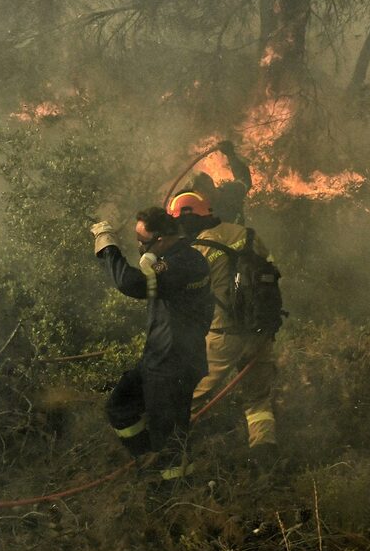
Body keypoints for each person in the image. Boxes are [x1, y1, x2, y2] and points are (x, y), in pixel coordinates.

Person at [91, 207, 212, 484]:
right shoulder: (176, 257)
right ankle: (146, 456)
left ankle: (176, 495)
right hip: (159, 359)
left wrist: (108, 247)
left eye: (142, 242)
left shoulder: (182, 264)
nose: (139, 247)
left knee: (169, 439)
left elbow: (130, 283)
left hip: (174, 364)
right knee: (120, 406)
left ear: (162, 239)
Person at [167, 190, 281, 469]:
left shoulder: (198, 250)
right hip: (259, 332)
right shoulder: (247, 234)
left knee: (187, 398)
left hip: (222, 336)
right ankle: (264, 455)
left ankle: (168, 457)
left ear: (185, 219)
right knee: (257, 399)